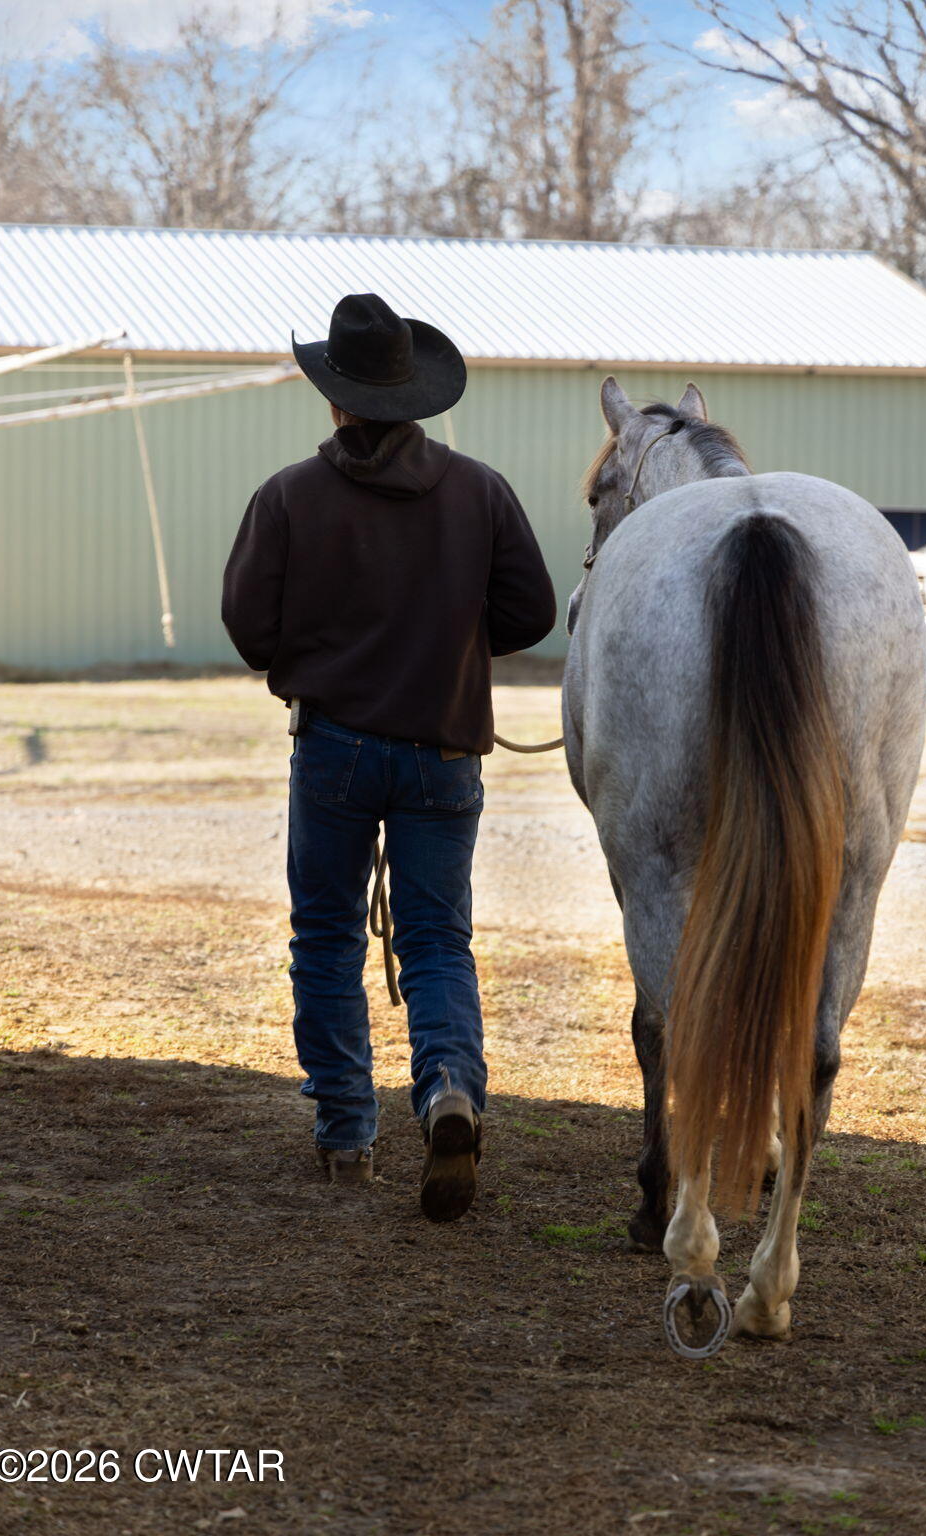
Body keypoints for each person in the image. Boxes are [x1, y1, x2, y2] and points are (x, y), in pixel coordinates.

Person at [221, 292, 556, 1222]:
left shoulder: (289, 496)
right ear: (414, 397)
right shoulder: (480, 490)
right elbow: (529, 613)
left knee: (326, 935)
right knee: (438, 939)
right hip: (443, 752)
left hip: (332, 747)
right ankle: (449, 1088)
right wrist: (444, 628)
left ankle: (345, 1137)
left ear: (334, 399)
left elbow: (251, 631)